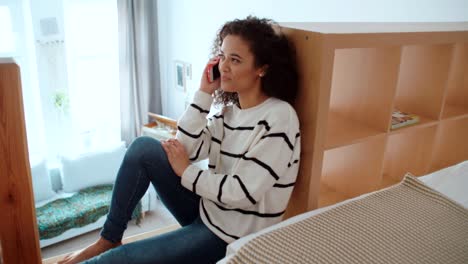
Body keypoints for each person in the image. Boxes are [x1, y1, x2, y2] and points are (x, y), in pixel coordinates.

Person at [58, 15, 301, 264]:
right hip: (208, 211)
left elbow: (241, 192)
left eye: (235, 60)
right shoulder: (230, 111)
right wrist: (204, 93)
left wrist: (186, 172)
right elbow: (186, 148)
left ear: (262, 68)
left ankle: (110, 251)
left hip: (232, 236)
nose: (224, 66)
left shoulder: (280, 117)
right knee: (143, 148)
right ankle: (109, 237)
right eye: (223, 56)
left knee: (120, 260)